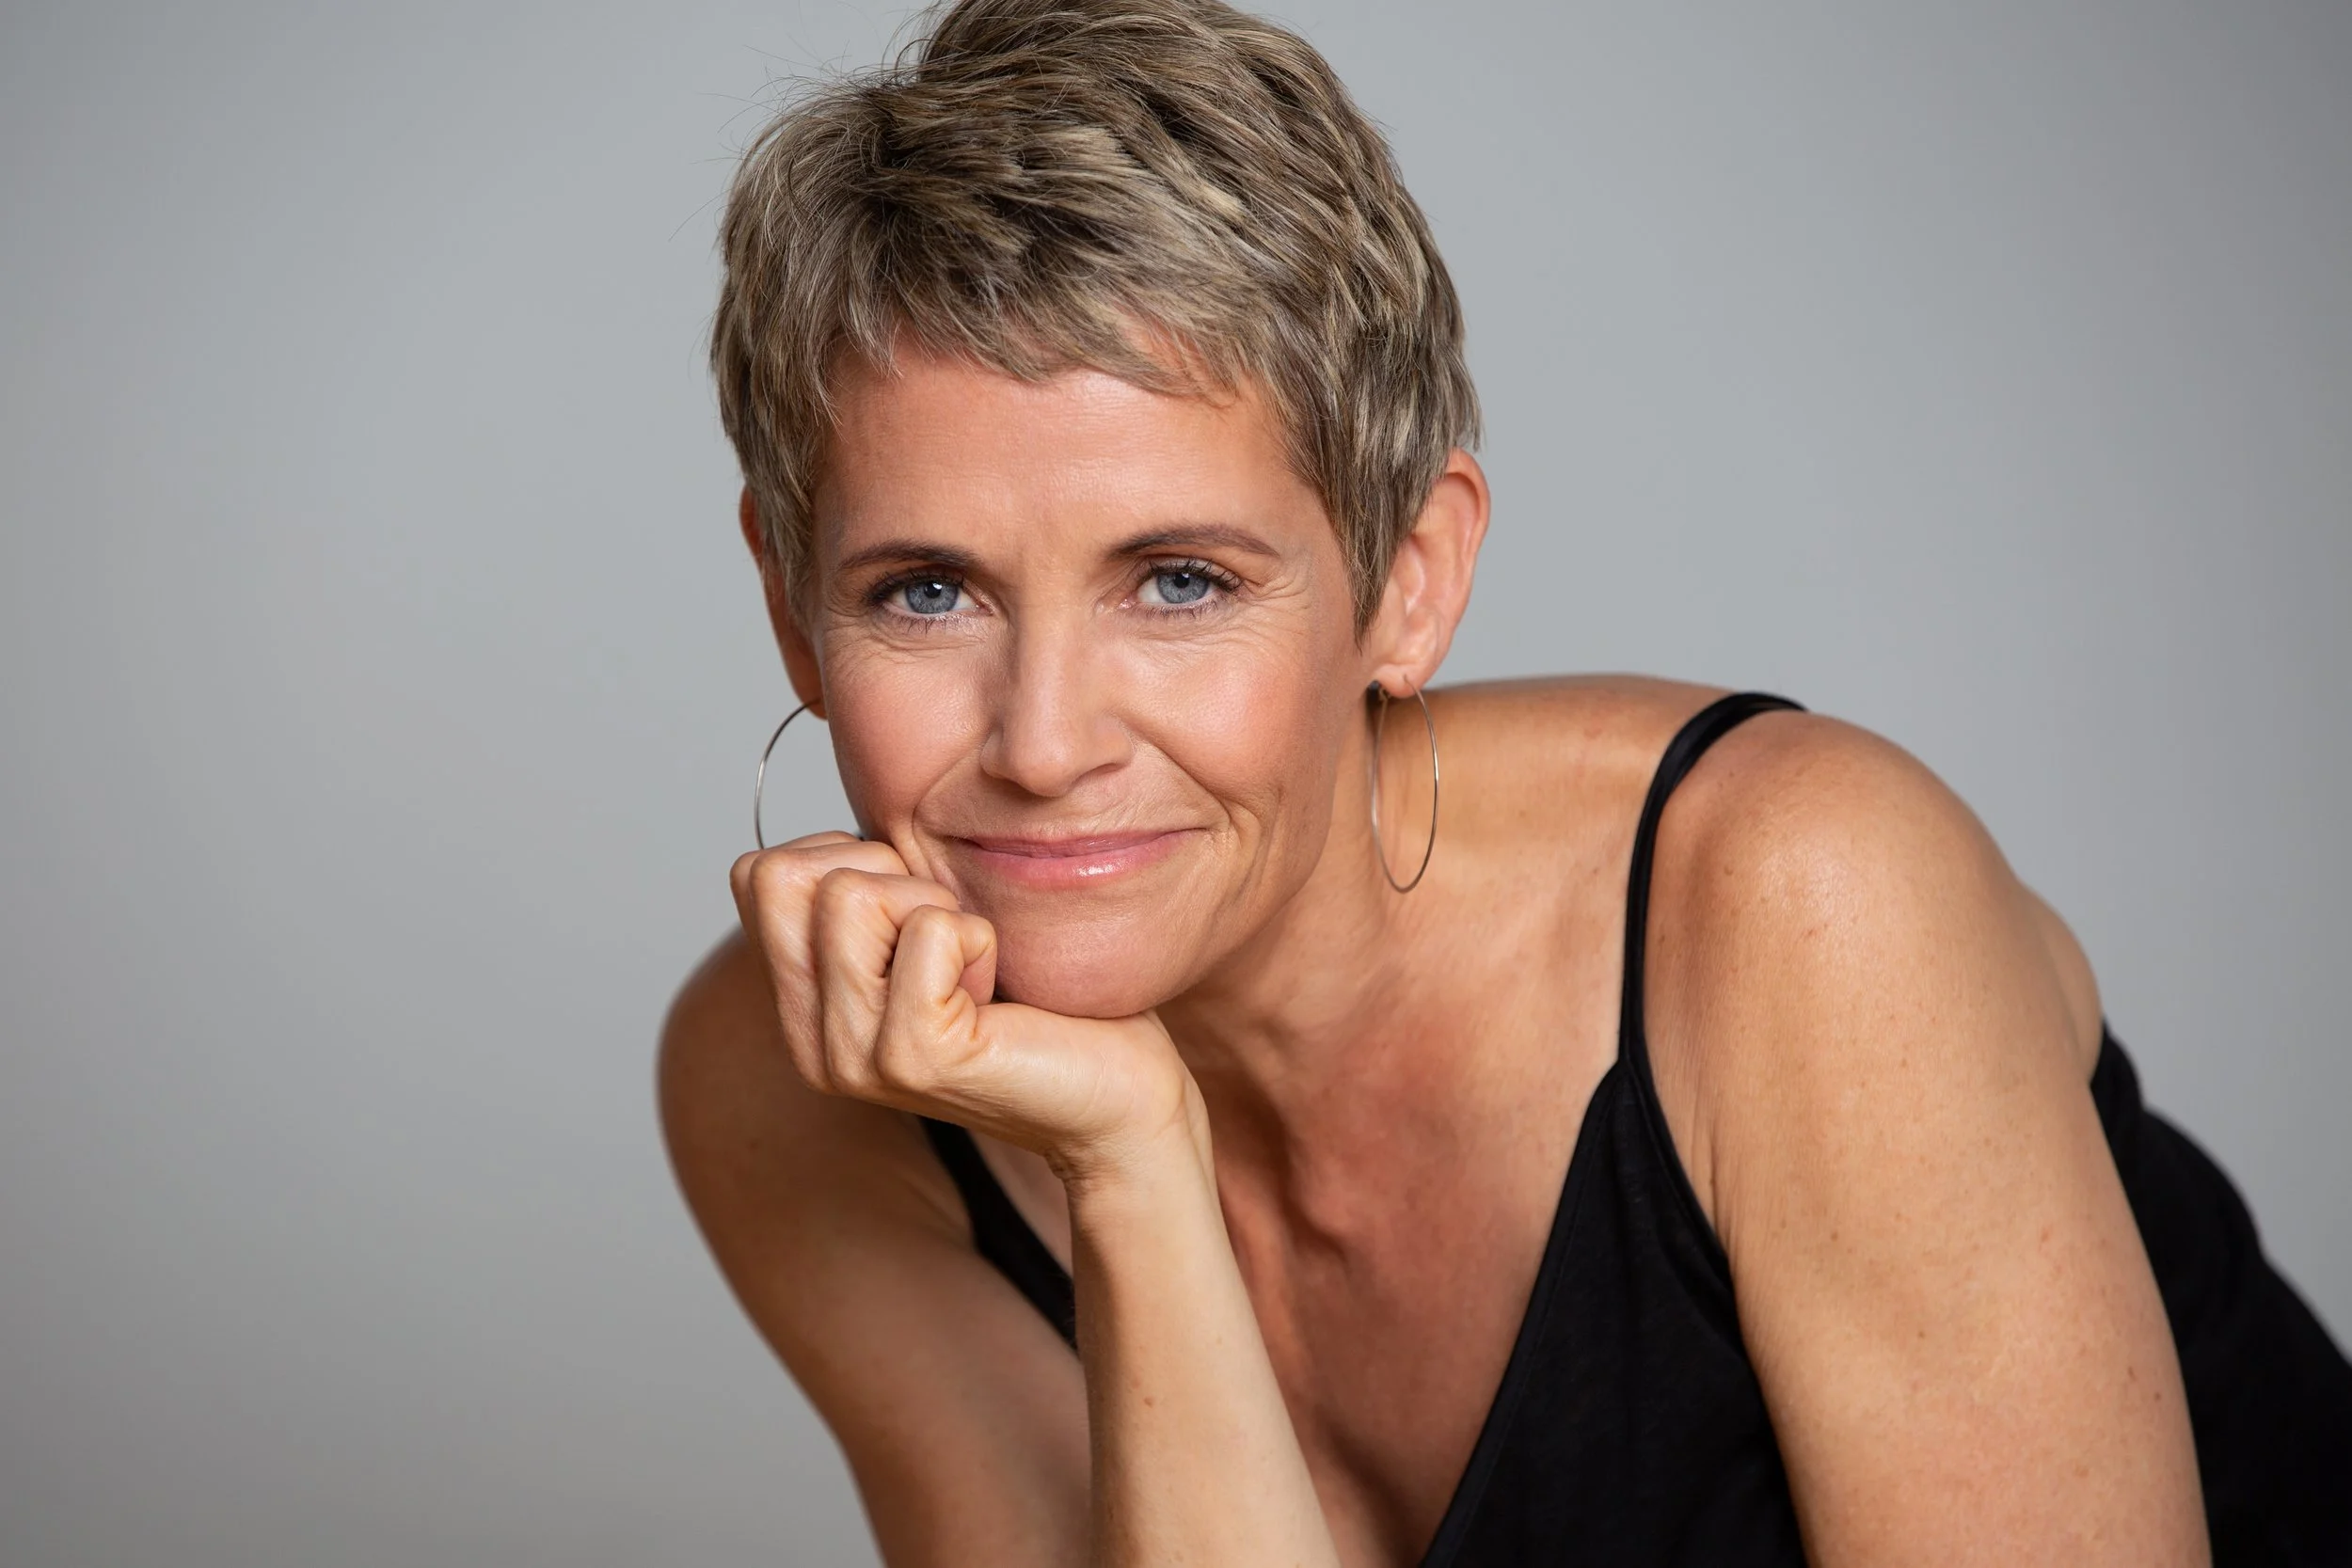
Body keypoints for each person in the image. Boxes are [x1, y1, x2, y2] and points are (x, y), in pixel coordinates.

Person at [658, 2, 2352, 1562]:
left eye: (1180, 581)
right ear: (789, 606)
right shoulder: (793, 1081)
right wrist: (1136, 1159)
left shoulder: (1804, 904)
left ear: (1410, 579)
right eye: (925, 590)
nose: (1043, 744)